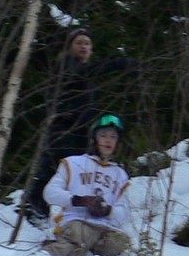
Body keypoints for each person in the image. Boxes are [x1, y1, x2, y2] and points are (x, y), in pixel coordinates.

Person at [23, 27, 136, 222]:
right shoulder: (67, 65)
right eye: (79, 43)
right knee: (54, 168)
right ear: (70, 46)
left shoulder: (83, 71)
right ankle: (34, 208)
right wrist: (117, 64)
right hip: (63, 128)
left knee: (76, 170)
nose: (83, 47)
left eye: (87, 43)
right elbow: (84, 73)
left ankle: (66, 209)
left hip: (79, 130)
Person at [41, 113, 132, 256]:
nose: (108, 140)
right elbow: (50, 193)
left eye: (113, 137)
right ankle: (53, 251)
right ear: (94, 139)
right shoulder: (73, 163)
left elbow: (123, 213)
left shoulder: (120, 175)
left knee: (121, 242)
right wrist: (78, 200)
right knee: (81, 234)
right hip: (77, 222)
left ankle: (75, 248)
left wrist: (107, 210)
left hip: (105, 228)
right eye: (103, 135)